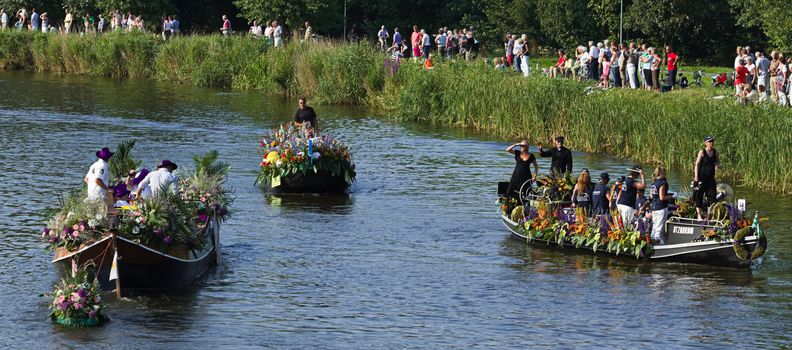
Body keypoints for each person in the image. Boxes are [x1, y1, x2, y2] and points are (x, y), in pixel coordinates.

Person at [693, 136, 719, 220]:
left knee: (712, 197)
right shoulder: (702, 152)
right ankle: (699, 215)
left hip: (710, 178)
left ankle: (708, 215)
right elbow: (697, 164)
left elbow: (717, 161)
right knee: (699, 196)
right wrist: (696, 177)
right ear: (705, 143)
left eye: (712, 141)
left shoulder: (715, 152)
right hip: (701, 177)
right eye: (709, 141)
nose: (711, 143)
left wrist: (717, 166)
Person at [649, 166, 671, 244]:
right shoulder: (662, 183)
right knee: (659, 228)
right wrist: (672, 196)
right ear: (661, 173)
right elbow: (662, 197)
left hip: (654, 208)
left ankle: (652, 241)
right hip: (661, 208)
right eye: (664, 171)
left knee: (654, 227)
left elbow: (651, 196)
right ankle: (657, 245)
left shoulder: (653, 183)